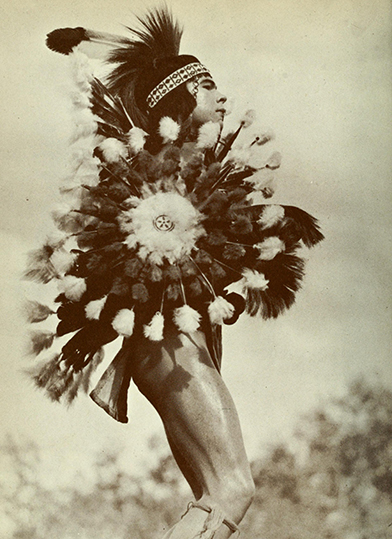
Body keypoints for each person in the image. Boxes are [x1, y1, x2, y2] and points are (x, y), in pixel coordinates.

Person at [29, 7, 323, 538]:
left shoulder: (189, 167)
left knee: (216, 497)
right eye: (209, 86)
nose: (223, 97)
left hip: (177, 343)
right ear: (183, 98)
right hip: (165, 345)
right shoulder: (159, 167)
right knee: (233, 489)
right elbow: (137, 255)